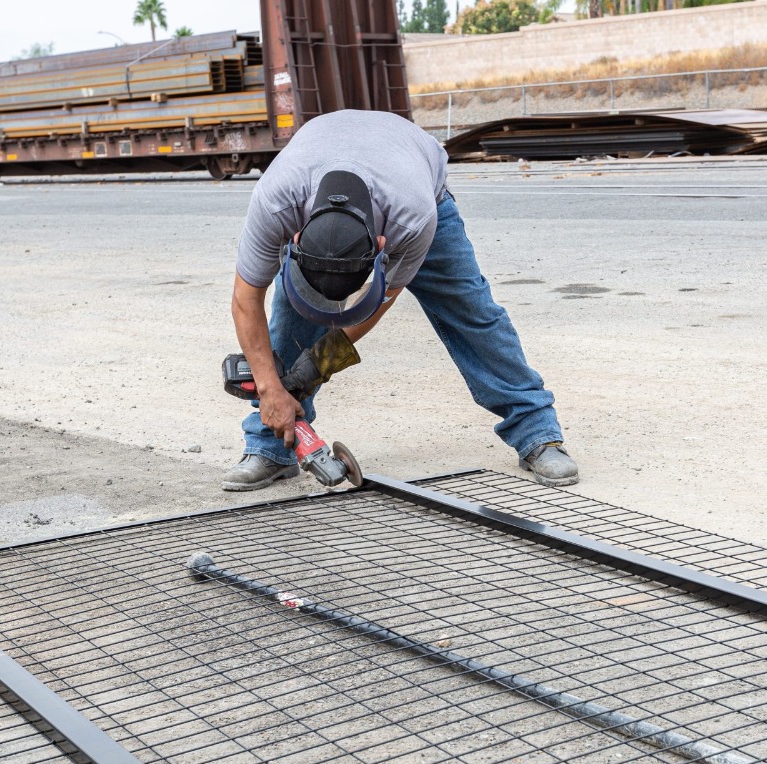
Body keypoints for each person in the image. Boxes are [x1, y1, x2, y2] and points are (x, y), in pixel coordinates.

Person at [225, 108, 578, 491]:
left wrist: (320, 361)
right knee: (289, 320)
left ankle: (537, 433)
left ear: (381, 250)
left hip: (413, 177)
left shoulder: (412, 218)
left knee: (472, 312)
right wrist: (269, 387)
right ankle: (271, 446)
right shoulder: (276, 205)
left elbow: (380, 301)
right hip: (329, 159)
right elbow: (246, 301)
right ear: (295, 240)